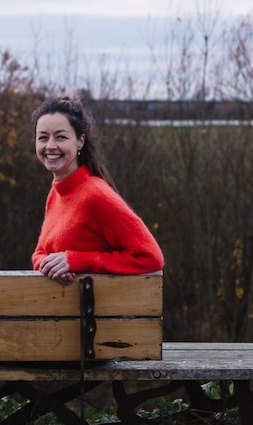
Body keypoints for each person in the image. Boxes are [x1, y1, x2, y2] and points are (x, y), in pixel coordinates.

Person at [31, 96, 164, 285]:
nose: (50, 146)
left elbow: (150, 257)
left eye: (61, 137)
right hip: (63, 310)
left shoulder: (96, 195)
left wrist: (78, 261)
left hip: (95, 311)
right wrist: (50, 266)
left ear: (79, 141)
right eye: (43, 137)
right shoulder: (56, 194)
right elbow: (40, 252)